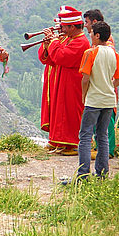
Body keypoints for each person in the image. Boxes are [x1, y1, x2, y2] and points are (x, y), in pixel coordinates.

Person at [77, 21, 119, 180]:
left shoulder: (90, 53)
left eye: (90, 33)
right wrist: (108, 85)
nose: (89, 36)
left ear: (97, 35)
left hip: (93, 100)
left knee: (85, 136)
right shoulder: (114, 53)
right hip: (109, 100)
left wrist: (84, 96)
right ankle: (102, 174)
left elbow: (85, 79)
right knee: (102, 136)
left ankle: (83, 175)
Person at [40, 8, 91, 155]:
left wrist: (53, 41)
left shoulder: (81, 42)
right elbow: (51, 59)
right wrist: (47, 44)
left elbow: (61, 57)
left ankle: (72, 143)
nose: (62, 29)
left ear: (73, 27)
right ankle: (60, 141)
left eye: (64, 27)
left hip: (73, 82)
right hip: (63, 80)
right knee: (61, 111)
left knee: (70, 111)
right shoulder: (70, 39)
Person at [83, 9, 117, 158]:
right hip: (107, 89)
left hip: (101, 89)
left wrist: (84, 95)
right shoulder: (104, 44)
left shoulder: (103, 46)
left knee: (103, 127)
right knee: (101, 129)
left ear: (95, 24)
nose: (85, 26)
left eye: (87, 22)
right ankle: (103, 157)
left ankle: (107, 152)